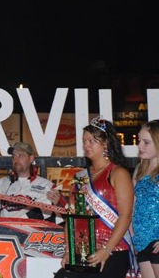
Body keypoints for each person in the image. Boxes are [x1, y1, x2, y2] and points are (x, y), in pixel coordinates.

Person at [56, 116, 137, 278]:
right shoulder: (80, 177)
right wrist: (68, 251)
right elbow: (72, 217)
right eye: (84, 141)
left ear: (105, 143)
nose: (86, 145)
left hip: (114, 250)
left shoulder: (117, 173)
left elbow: (126, 215)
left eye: (91, 141)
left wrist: (106, 250)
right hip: (83, 251)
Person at [0, 141, 65, 223]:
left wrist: (58, 205)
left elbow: (66, 216)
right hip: (6, 233)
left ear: (31, 158)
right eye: (13, 156)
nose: (16, 160)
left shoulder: (48, 186)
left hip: (34, 235)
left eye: (20, 156)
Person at [132, 120, 159, 278]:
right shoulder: (139, 170)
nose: (140, 146)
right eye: (139, 140)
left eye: (146, 142)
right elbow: (133, 204)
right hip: (142, 241)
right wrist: (133, 235)